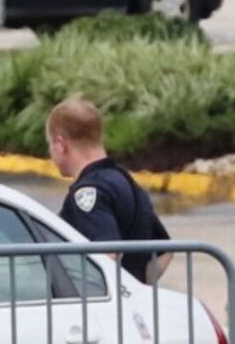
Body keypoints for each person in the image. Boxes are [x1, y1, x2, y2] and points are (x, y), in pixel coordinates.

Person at [46, 98, 172, 284]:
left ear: (61, 144)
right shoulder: (126, 182)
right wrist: (138, 291)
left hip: (101, 309)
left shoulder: (88, 193)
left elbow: (106, 254)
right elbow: (164, 252)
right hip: (127, 306)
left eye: (49, 144)